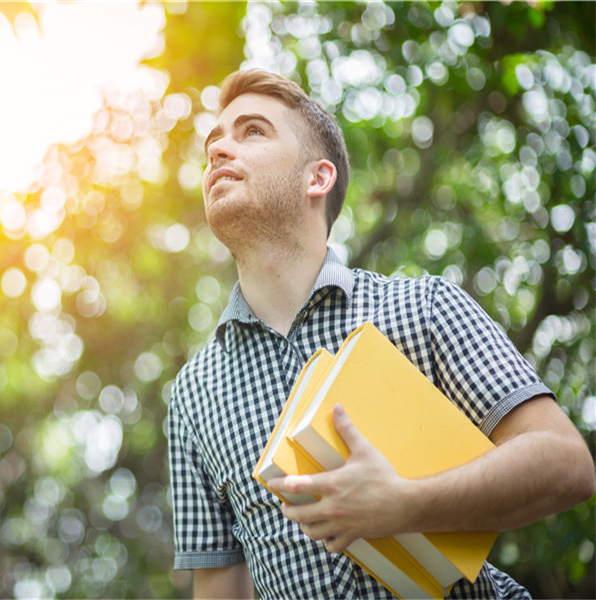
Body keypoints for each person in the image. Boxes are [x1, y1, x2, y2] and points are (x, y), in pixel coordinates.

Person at [166, 69, 595, 599]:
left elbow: (566, 463)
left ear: (316, 178)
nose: (220, 150)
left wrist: (403, 503)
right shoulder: (193, 394)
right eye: (215, 142)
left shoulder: (424, 307)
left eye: (252, 131)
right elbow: (219, 586)